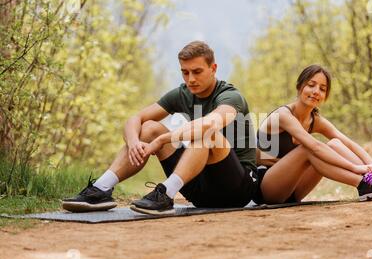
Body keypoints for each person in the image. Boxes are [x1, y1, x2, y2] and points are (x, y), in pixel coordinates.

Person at [62, 41, 258, 214]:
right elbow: (135, 119)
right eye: (185, 72)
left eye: (197, 72)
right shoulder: (182, 94)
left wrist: (163, 140)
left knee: (206, 132)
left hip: (236, 189)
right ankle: (101, 189)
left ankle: (166, 193)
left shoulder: (231, 96)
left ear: (213, 68)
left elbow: (210, 123)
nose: (190, 79)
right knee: (148, 128)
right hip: (199, 190)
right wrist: (134, 142)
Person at [255, 64, 372, 204]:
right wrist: (355, 167)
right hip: (268, 190)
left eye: (322, 89)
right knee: (307, 149)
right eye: (311, 85)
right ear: (300, 87)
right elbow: (315, 147)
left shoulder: (315, 120)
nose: (316, 91)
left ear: (325, 95)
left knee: (335, 143)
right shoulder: (282, 115)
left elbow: (347, 142)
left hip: (295, 190)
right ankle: (362, 184)